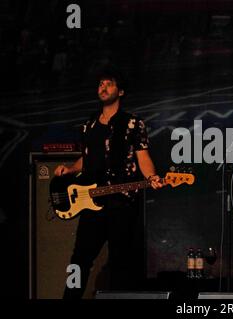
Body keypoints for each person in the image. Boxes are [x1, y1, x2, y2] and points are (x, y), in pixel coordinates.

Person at [54, 67, 163, 299]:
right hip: (91, 202)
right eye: (100, 84)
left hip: (121, 203)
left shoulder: (133, 123)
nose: (102, 87)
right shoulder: (89, 125)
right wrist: (70, 169)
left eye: (109, 84)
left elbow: (143, 157)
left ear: (120, 91)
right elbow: (87, 157)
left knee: (121, 262)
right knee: (79, 259)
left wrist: (152, 177)